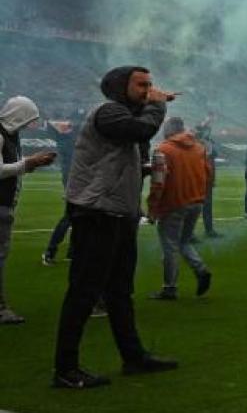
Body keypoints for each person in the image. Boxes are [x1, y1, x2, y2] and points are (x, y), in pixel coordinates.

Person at [53, 66, 179, 389]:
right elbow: (140, 131)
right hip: (96, 213)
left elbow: (119, 158)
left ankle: (133, 357)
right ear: (120, 86)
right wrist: (158, 104)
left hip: (119, 214)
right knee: (84, 291)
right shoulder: (108, 112)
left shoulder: (123, 117)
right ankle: (65, 369)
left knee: (120, 292)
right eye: (141, 84)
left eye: (151, 84)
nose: (148, 89)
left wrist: (146, 169)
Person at [2, 96, 58, 324]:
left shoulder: (10, 136)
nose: (27, 125)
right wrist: (28, 164)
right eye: (27, 119)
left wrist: (33, 162)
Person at [147, 117, 213, 300]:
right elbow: (208, 174)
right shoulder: (200, 148)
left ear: (168, 130)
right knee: (184, 241)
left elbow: (158, 183)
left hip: (173, 204)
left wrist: (153, 207)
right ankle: (200, 269)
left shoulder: (163, 150)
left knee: (169, 246)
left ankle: (169, 288)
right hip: (197, 201)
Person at [41, 115, 77, 266]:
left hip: (77, 177)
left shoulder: (69, 139)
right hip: (74, 178)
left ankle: (71, 252)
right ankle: (50, 251)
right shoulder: (66, 140)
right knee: (70, 216)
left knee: (77, 216)